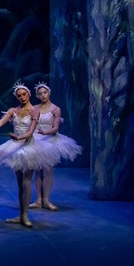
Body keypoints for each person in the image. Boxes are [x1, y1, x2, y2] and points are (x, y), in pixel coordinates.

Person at [0, 83, 57, 227]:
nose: (22, 97)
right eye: (19, 95)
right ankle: (21, 215)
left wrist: (18, 138)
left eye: (24, 94)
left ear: (29, 94)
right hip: (15, 147)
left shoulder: (35, 111)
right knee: (19, 184)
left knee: (26, 181)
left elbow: (30, 132)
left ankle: (26, 215)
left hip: (29, 146)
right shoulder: (13, 110)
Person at [30, 82, 82, 210]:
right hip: (36, 139)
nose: (43, 95)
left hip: (49, 139)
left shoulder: (55, 109)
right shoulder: (34, 108)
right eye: (40, 94)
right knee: (38, 170)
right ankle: (38, 200)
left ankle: (46, 199)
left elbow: (55, 127)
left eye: (45, 92)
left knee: (48, 169)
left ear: (49, 93)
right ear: (37, 95)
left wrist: (45, 132)